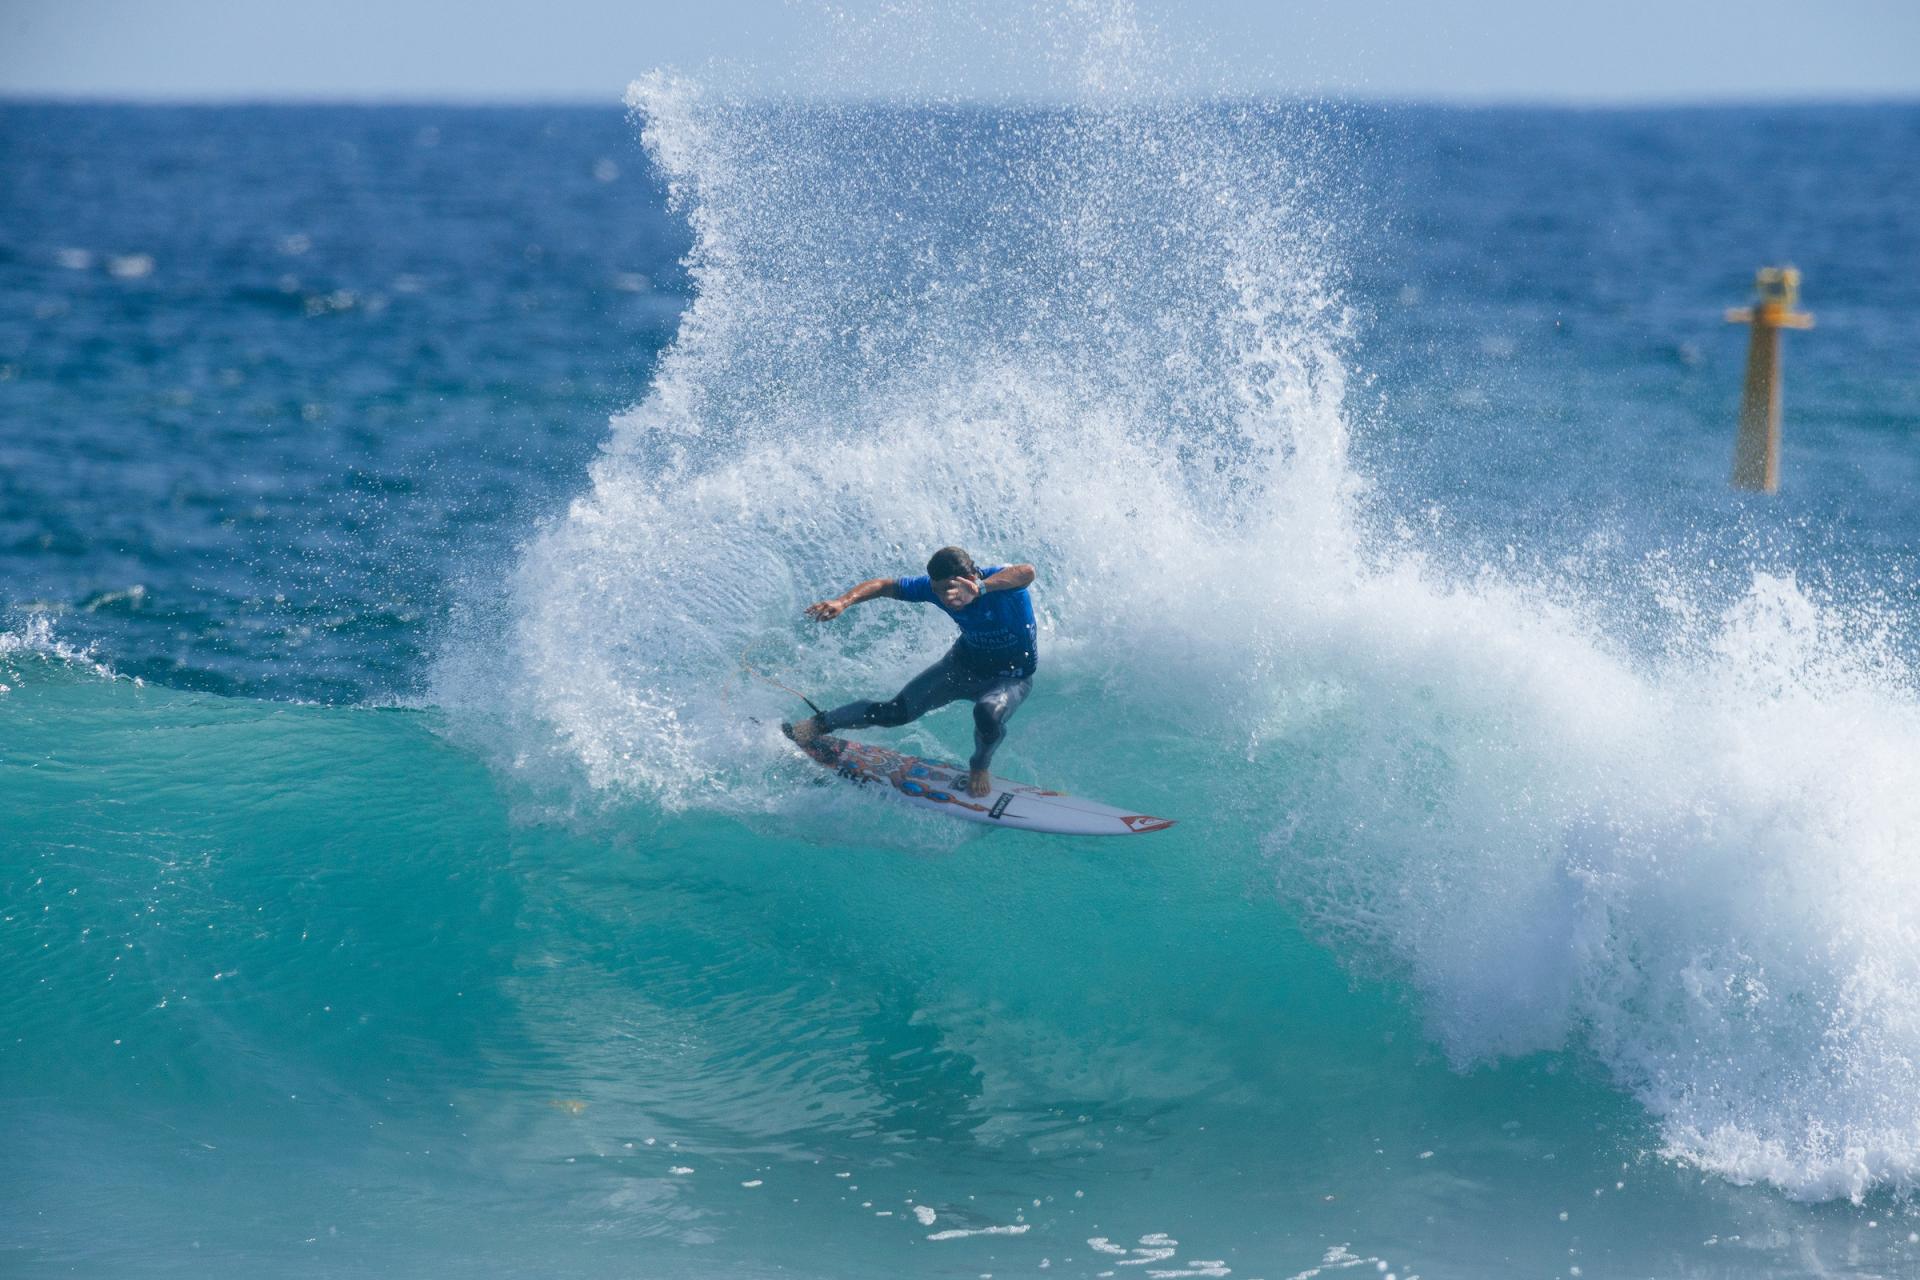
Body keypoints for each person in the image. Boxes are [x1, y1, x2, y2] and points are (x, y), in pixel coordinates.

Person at [788, 546, 1037, 797]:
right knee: (895, 712)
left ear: (970, 577)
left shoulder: (1001, 585)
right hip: (960, 668)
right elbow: (884, 586)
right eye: (938, 591)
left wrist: (980, 589)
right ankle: (816, 725)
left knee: (988, 715)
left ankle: (979, 766)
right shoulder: (933, 589)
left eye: (949, 590)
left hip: (1010, 677)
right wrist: (843, 601)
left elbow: (1026, 572)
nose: (945, 598)